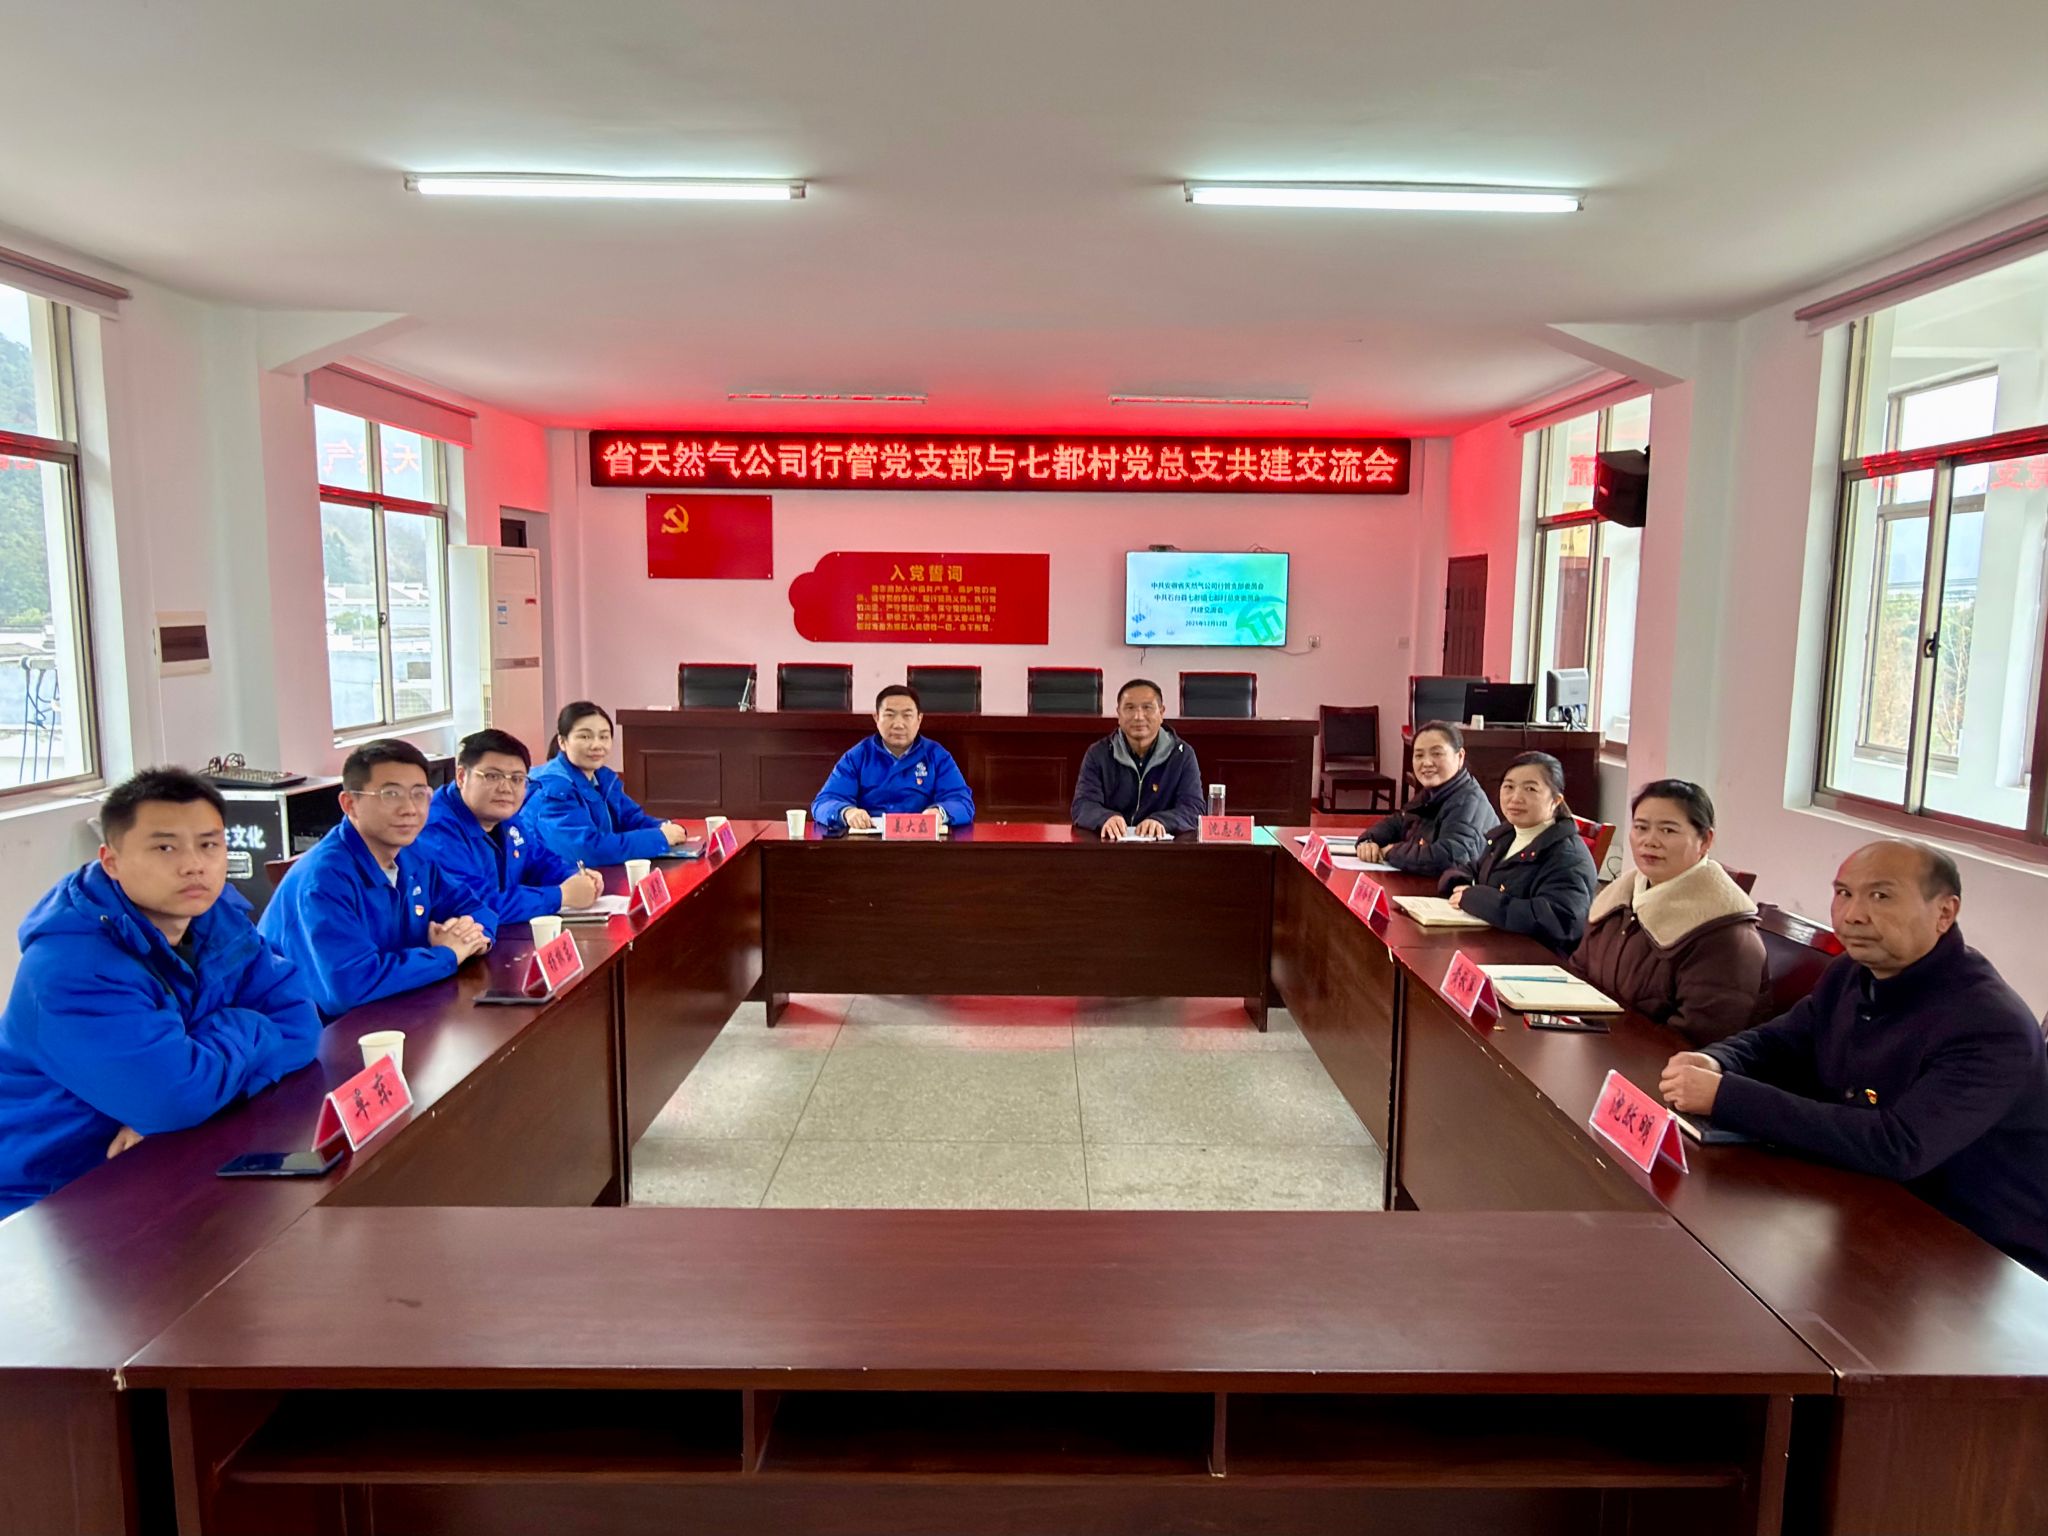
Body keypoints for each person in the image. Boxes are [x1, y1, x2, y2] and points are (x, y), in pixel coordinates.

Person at [1661, 841, 2048, 1279]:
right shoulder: (1851, 973)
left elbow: (1897, 1146)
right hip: (1864, 1204)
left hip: (1979, 1257)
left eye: (1880, 896)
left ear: (1945, 912)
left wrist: (1726, 1096)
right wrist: (1715, 1061)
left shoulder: (1990, 1024)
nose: (1853, 914)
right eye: (1843, 893)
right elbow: (1781, 1041)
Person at [0, 769, 321, 1217]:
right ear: (111, 861)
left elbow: (302, 1024)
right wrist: (247, 1032)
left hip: (171, 1153)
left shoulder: (216, 918)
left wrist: (188, 1096)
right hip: (55, 1196)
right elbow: (174, 1097)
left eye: (209, 845)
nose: (194, 865)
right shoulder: (69, 968)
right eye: (165, 847)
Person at [259, 739, 492, 1021]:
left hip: (394, 1008)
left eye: (419, 794)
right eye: (391, 794)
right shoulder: (323, 881)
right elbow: (351, 986)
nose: (410, 808)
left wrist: (474, 937)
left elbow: (477, 908)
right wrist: (446, 954)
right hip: (315, 1032)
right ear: (350, 804)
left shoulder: (413, 854)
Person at [1572, 779, 1766, 1045]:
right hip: (1597, 1045)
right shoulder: (1618, 901)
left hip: (1656, 1063)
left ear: (1705, 840)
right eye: (1641, 828)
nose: (1650, 841)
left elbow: (1695, 1039)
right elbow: (1578, 975)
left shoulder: (1725, 934)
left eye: (1668, 830)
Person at [413, 729, 604, 930]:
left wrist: (573, 876)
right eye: (492, 776)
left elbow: (537, 861)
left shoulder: (504, 815)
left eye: (517, 779)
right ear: (461, 777)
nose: (505, 788)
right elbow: (475, 905)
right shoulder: (436, 831)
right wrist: (562, 895)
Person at [1439, 751, 1598, 952]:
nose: (1515, 798)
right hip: (1493, 943)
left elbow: (1560, 921)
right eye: (1509, 787)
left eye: (1530, 789)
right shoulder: (1507, 835)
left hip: (1534, 958)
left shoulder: (1568, 857)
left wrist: (1477, 899)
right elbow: (1473, 869)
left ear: (1556, 800)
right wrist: (1457, 884)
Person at [520, 702, 693, 866]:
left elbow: (631, 818)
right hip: (551, 881)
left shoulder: (603, 778)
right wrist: (659, 838)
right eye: (585, 736)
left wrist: (664, 828)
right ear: (562, 742)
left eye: (603, 736)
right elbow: (586, 850)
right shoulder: (552, 789)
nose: (597, 745)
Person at [810, 685, 977, 831]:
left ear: (919, 719)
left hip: (922, 842)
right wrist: (847, 812)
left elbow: (963, 803)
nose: (898, 724)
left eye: (907, 715)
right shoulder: (858, 756)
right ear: (876, 718)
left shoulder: (937, 756)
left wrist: (940, 813)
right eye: (889, 715)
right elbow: (824, 803)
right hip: (869, 842)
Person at [1071, 678, 1206, 840]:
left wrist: (1162, 821)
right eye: (1130, 708)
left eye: (1147, 707)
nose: (1138, 716)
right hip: (1111, 844)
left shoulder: (1182, 754)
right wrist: (1105, 818)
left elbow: (1194, 809)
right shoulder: (1098, 753)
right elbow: (1082, 805)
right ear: (1118, 714)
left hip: (1163, 847)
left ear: (1161, 713)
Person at [1355, 721, 1497, 874]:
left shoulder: (1468, 801)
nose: (1426, 763)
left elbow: (1451, 858)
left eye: (1437, 754)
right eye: (1419, 755)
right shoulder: (1432, 793)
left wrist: (1391, 852)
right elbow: (1398, 822)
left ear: (1460, 756)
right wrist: (1368, 841)